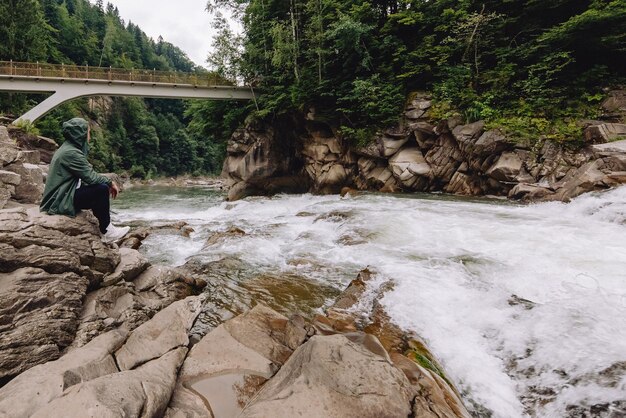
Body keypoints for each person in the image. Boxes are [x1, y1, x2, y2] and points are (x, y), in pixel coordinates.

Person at [40, 117, 129, 243]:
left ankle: (106, 226)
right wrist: (110, 182)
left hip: (62, 195)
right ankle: (107, 231)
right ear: (79, 134)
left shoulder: (68, 148)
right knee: (101, 189)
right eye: (88, 132)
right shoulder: (71, 153)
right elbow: (91, 177)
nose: (89, 136)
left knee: (98, 189)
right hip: (59, 200)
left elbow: (86, 175)